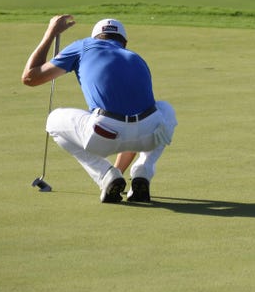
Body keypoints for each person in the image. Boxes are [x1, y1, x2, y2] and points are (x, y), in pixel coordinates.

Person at [22, 15, 177, 203]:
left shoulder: (83, 46)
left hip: (103, 133)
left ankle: (105, 175)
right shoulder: (137, 59)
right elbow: (132, 128)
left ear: (95, 37)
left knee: (53, 120)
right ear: (124, 42)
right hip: (147, 132)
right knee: (164, 110)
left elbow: (30, 78)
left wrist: (51, 33)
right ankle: (143, 171)